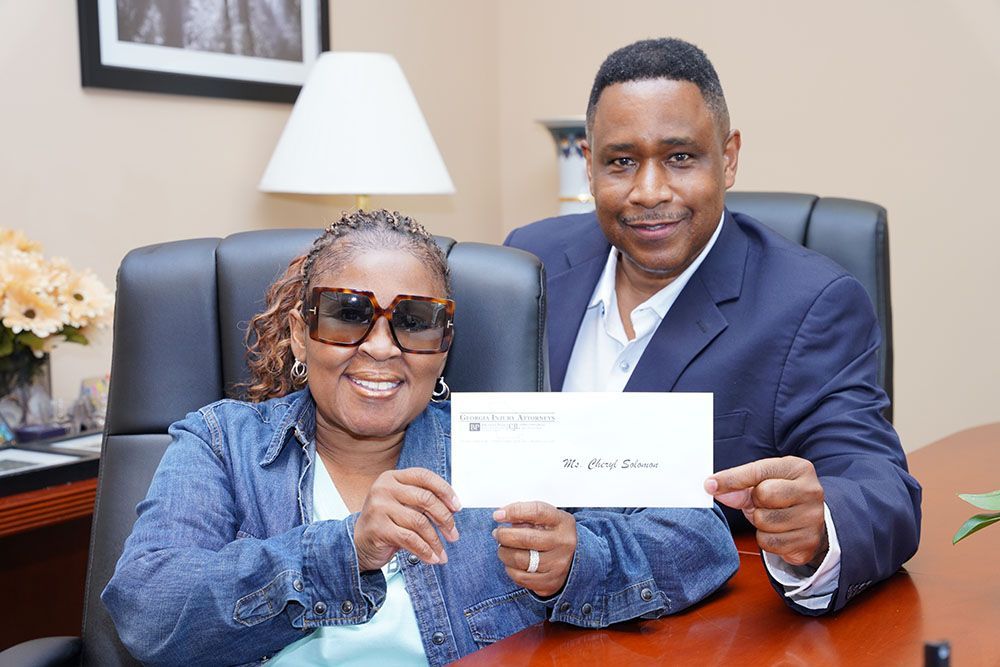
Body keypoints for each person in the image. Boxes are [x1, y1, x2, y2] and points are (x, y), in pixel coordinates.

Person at [102, 209, 738, 666]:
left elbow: (703, 537)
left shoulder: (502, 441)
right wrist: (343, 549)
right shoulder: (221, 443)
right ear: (300, 334)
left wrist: (580, 561)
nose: (380, 347)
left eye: (415, 322)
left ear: (443, 346)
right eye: (348, 315)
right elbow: (148, 614)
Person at [505, 38, 921, 615]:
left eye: (680, 158)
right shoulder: (530, 261)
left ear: (727, 158)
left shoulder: (809, 305)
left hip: (672, 629)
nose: (649, 191)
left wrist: (819, 522)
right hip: (503, 615)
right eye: (621, 161)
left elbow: (881, 487)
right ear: (589, 160)